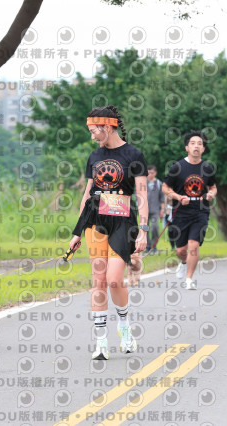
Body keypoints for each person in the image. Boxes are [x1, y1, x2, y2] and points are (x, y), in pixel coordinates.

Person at [69, 105, 148, 360]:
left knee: (114, 279)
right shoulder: (94, 156)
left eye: (94, 130)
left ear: (108, 126)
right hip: (95, 222)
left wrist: (144, 230)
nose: (92, 136)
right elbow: (87, 194)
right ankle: (101, 342)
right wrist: (77, 231)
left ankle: (124, 326)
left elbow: (142, 195)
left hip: (123, 222)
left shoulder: (134, 154)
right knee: (99, 279)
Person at [162, 130, 216, 290]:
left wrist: (211, 194)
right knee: (181, 250)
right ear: (187, 147)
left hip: (200, 211)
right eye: (193, 143)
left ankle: (189, 279)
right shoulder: (177, 167)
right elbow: (165, 188)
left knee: (193, 244)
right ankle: (183, 262)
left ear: (203, 149)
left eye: (199, 144)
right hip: (181, 212)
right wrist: (178, 197)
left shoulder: (207, 168)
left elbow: (213, 187)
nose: (196, 146)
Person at [145, 165, 165, 254]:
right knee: (144, 229)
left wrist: (162, 210)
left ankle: (154, 246)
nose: (150, 174)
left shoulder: (159, 184)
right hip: (144, 211)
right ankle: (147, 246)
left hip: (155, 210)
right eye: (148, 173)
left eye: (152, 173)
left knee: (154, 228)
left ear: (155, 173)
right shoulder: (142, 183)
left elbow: (162, 199)